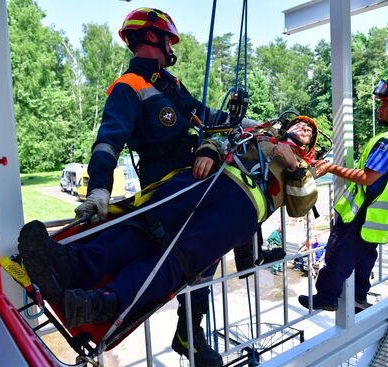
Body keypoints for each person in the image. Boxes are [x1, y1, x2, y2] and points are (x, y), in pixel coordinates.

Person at [18, 116, 319, 361]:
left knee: (178, 259)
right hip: (207, 179)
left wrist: (293, 166)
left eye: (309, 131)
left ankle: (99, 305)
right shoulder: (258, 131)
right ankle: (72, 264)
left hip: (240, 209)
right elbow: (221, 138)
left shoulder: (303, 169)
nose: (304, 129)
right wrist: (208, 152)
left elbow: (300, 205)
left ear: (309, 145)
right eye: (301, 124)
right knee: (145, 223)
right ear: (288, 125)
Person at [71, 8, 259, 366]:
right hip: (163, 186)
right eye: (168, 38)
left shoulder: (168, 84)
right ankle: (107, 295)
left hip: (193, 179)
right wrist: (98, 189)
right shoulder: (128, 87)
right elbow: (108, 143)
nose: (171, 45)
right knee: (179, 255)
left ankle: (190, 331)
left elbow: (202, 116)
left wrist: (242, 122)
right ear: (154, 37)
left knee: (207, 252)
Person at [298, 75, 388, 312]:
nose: (380, 108)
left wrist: (329, 167)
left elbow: (368, 177)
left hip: (364, 209)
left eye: (385, 104)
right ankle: (358, 297)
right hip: (381, 215)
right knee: (366, 255)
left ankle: (326, 296)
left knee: (338, 252)